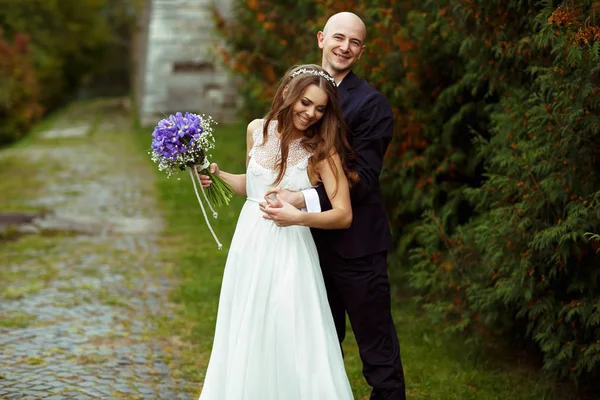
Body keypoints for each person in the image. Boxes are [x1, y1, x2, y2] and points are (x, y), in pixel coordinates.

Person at [259, 12, 407, 400]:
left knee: (376, 351)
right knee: (315, 347)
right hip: (304, 245)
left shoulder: (373, 105)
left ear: (361, 51)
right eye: (339, 38)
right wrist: (220, 175)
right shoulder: (299, 90)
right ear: (322, 38)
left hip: (356, 247)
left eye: (354, 42)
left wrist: (302, 199)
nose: (345, 47)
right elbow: (275, 155)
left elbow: (362, 177)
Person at [196, 64, 357, 399]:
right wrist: (218, 175)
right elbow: (255, 187)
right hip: (249, 243)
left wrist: (296, 217)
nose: (311, 113)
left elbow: (343, 214)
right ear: (287, 94)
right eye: (305, 103)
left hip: (290, 249)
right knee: (248, 325)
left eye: (320, 108)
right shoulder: (257, 129)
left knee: (285, 329)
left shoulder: (322, 149)